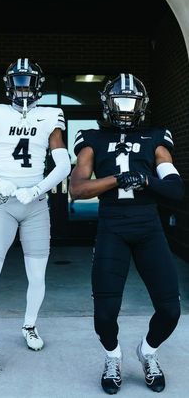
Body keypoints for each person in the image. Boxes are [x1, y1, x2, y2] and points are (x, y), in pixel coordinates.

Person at [69, 73, 184, 395]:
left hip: (148, 227)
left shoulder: (157, 137)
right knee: (105, 313)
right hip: (112, 227)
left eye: (130, 103)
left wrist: (146, 181)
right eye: (118, 102)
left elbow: (175, 189)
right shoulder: (91, 137)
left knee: (170, 309)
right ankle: (113, 357)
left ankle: (147, 352)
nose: (124, 109)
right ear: (106, 104)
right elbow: (77, 188)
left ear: (141, 106)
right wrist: (119, 180)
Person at [0, 57, 71, 378]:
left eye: (28, 81)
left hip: (36, 203)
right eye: (18, 81)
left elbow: (63, 165)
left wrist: (37, 187)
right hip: (3, 202)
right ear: (9, 84)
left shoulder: (50, 115)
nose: (23, 88)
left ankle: (29, 325)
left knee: (37, 276)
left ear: (38, 84)